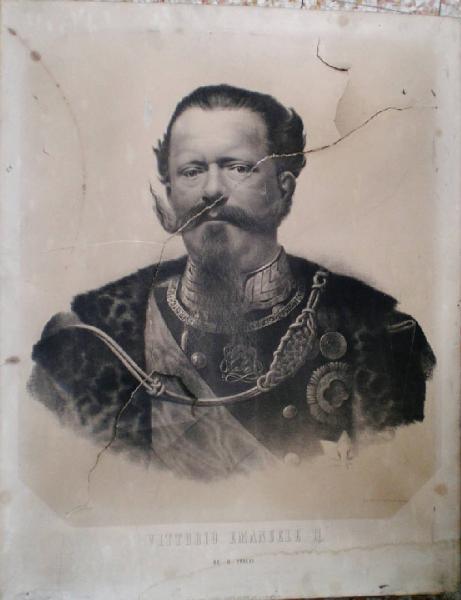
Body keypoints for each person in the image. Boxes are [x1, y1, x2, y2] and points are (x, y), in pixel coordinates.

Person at [30, 84, 436, 480]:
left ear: (283, 189)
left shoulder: (378, 334)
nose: (211, 190)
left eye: (238, 168)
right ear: (170, 194)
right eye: (192, 171)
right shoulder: (89, 339)